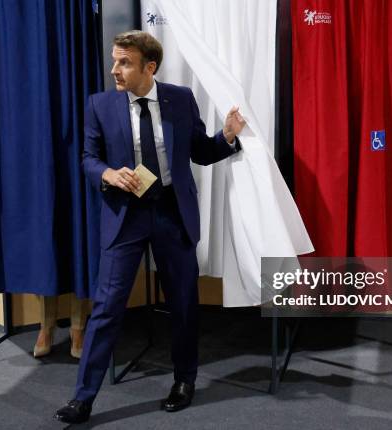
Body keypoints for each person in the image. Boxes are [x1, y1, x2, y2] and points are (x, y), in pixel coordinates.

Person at [55, 30, 245, 424]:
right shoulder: (100, 105)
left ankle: (184, 381)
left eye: (124, 62)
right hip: (126, 215)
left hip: (172, 212)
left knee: (183, 303)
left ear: (149, 67)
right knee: (107, 307)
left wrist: (226, 137)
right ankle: (83, 398)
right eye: (114, 60)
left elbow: (200, 151)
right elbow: (88, 158)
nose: (114, 70)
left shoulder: (179, 98)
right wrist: (107, 172)